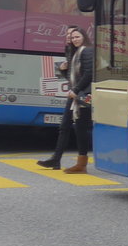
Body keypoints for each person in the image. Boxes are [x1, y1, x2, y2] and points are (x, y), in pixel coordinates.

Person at [36, 26, 94, 174]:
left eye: (76, 36)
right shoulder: (73, 51)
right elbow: (72, 76)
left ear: (83, 37)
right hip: (75, 94)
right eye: (70, 36)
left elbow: (89, 73)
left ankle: (81, 164)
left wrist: (75, 90)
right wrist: (62, 70)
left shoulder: (86, 51)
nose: (72, 38)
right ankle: (57, 159)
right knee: (66, 126)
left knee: (81, 128)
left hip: (83, 95)